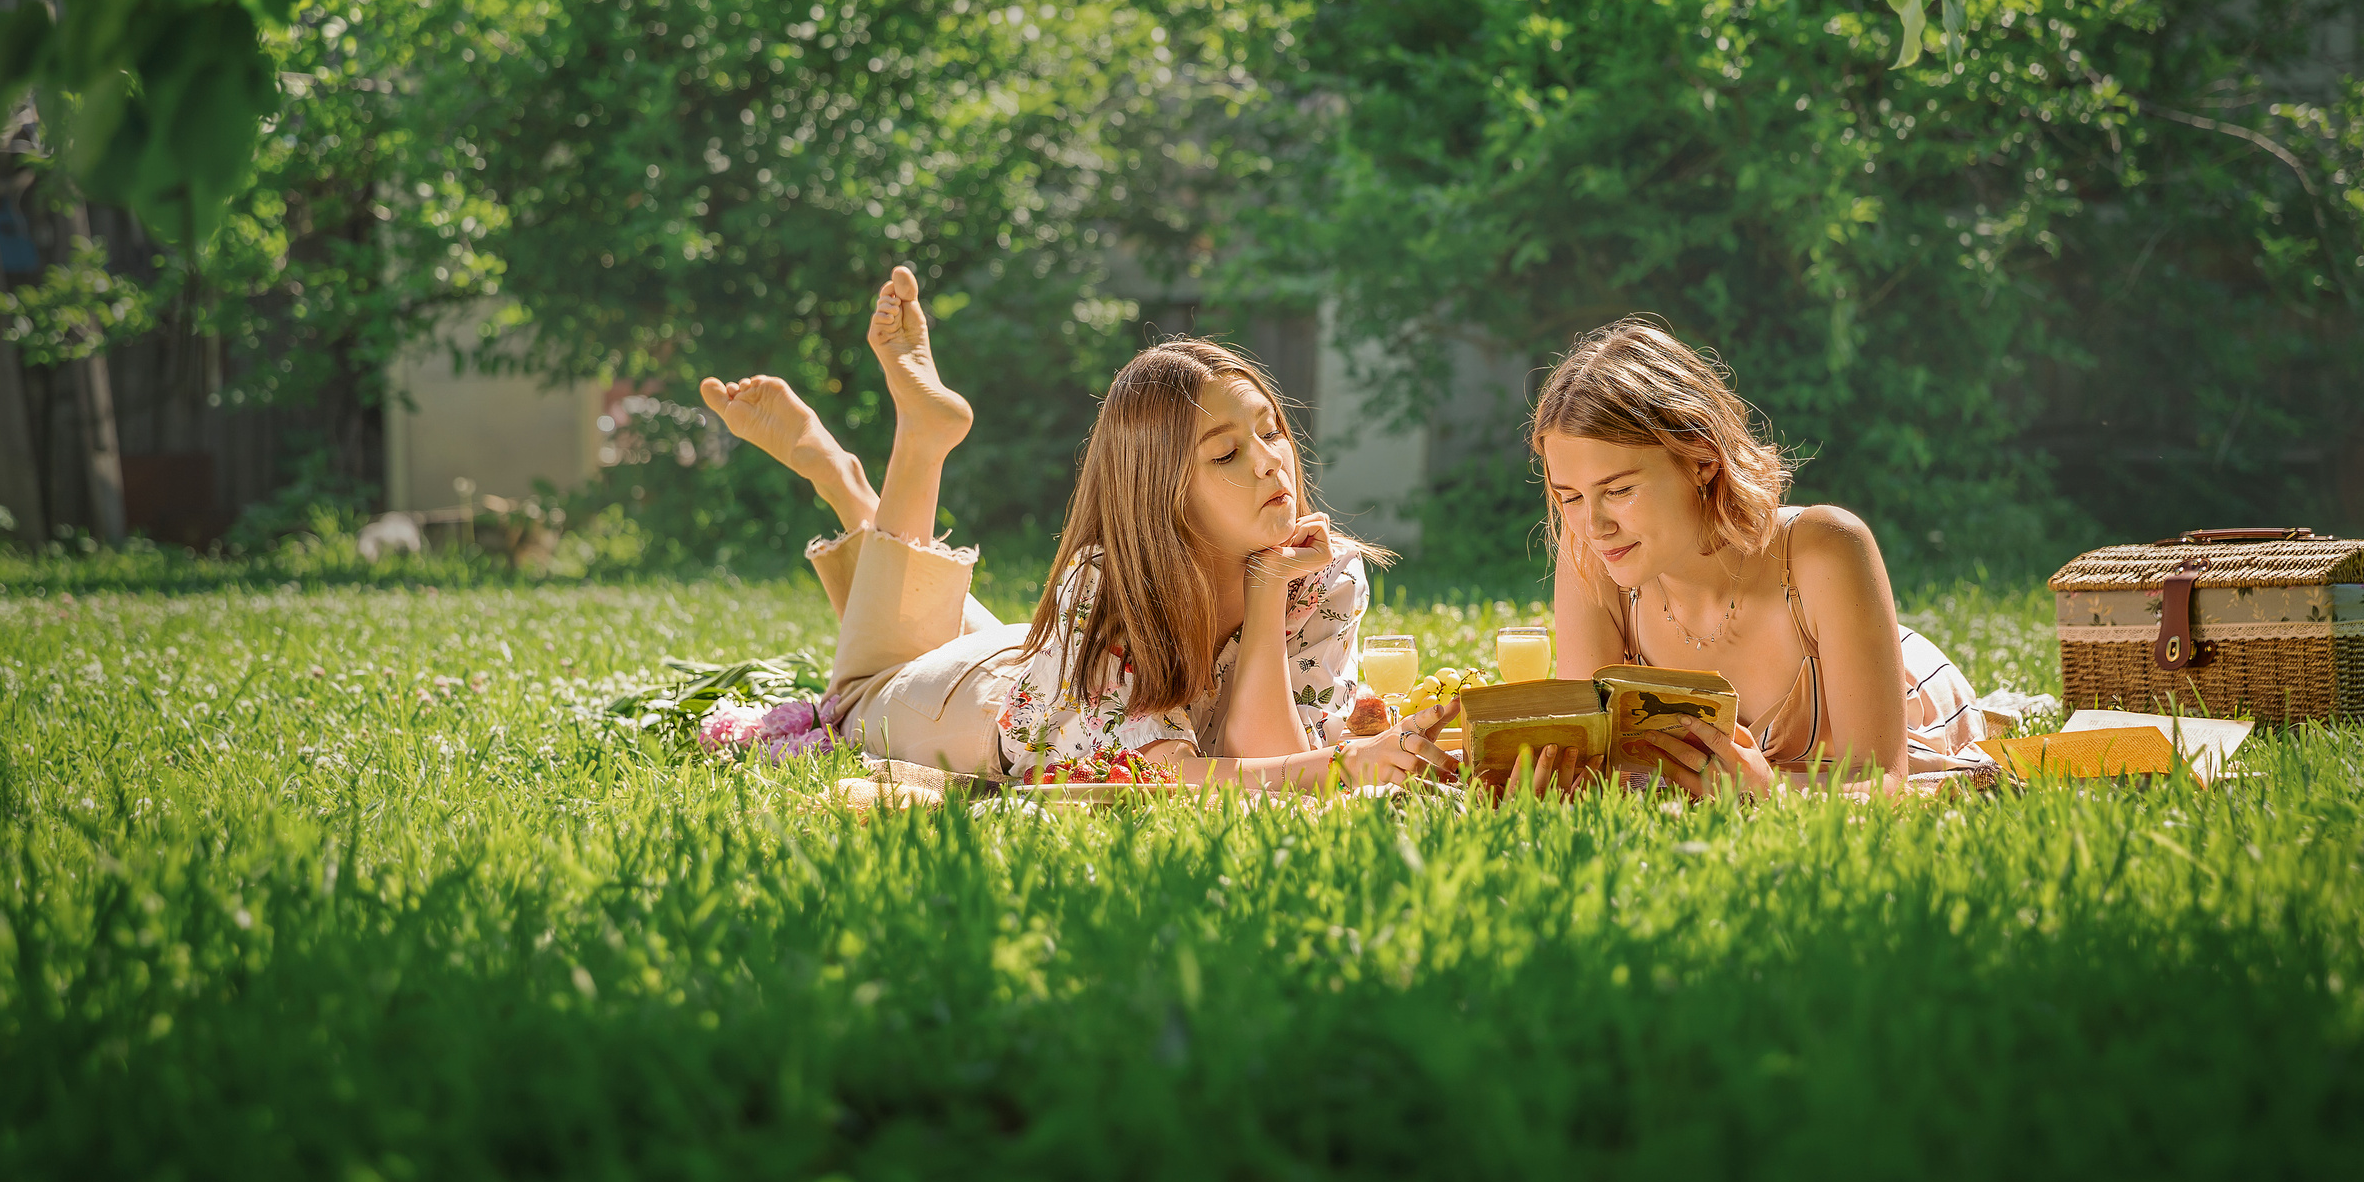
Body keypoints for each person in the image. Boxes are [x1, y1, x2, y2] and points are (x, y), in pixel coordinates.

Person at [699, 268, 1452, 791]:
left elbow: (1269, 762)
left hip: (1055, 662)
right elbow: (1173, 781)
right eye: (1226, 450)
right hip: (974, 699)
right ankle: (896, 454)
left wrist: (1265, 595)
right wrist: (1350, 767)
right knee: (857, 689)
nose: (1269, 463)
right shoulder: (1107, 582)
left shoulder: (1319, 575)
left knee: (905, 610)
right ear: (1159, 492)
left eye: (1271, 431)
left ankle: (845, 481)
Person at [1524, 318, 1989, 797]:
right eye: (1571, 497)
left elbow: (1881, 780)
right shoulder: (1592, 559)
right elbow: (1590, 765)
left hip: (1899, 690)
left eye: (1619, 490)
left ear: (1702, 458)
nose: (1594, 526)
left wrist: (1769, 794)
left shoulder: (1825, 548)